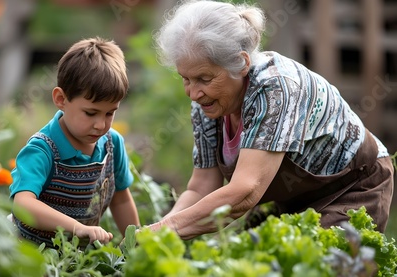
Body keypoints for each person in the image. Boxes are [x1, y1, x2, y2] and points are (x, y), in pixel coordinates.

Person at [148, 0, 394, 238]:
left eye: (204, 78)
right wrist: (158, 231)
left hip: (352, 187)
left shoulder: (276, 89)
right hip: (290, 198)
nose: (193, 93)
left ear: (241, 63)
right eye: (186, 79)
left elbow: (246, 191)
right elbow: (201, 188)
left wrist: (167, 229)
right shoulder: (207, 104)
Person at [9, 37, 140, 247]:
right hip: (32, 257)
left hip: (76, 259)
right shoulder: (42, 149)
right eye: (91, 113)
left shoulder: (112, 144)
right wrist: (77, 227)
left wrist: (137, 245)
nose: (100, 124)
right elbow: (23, 204)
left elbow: (121, 198)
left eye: (110, 113)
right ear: (61, 99)